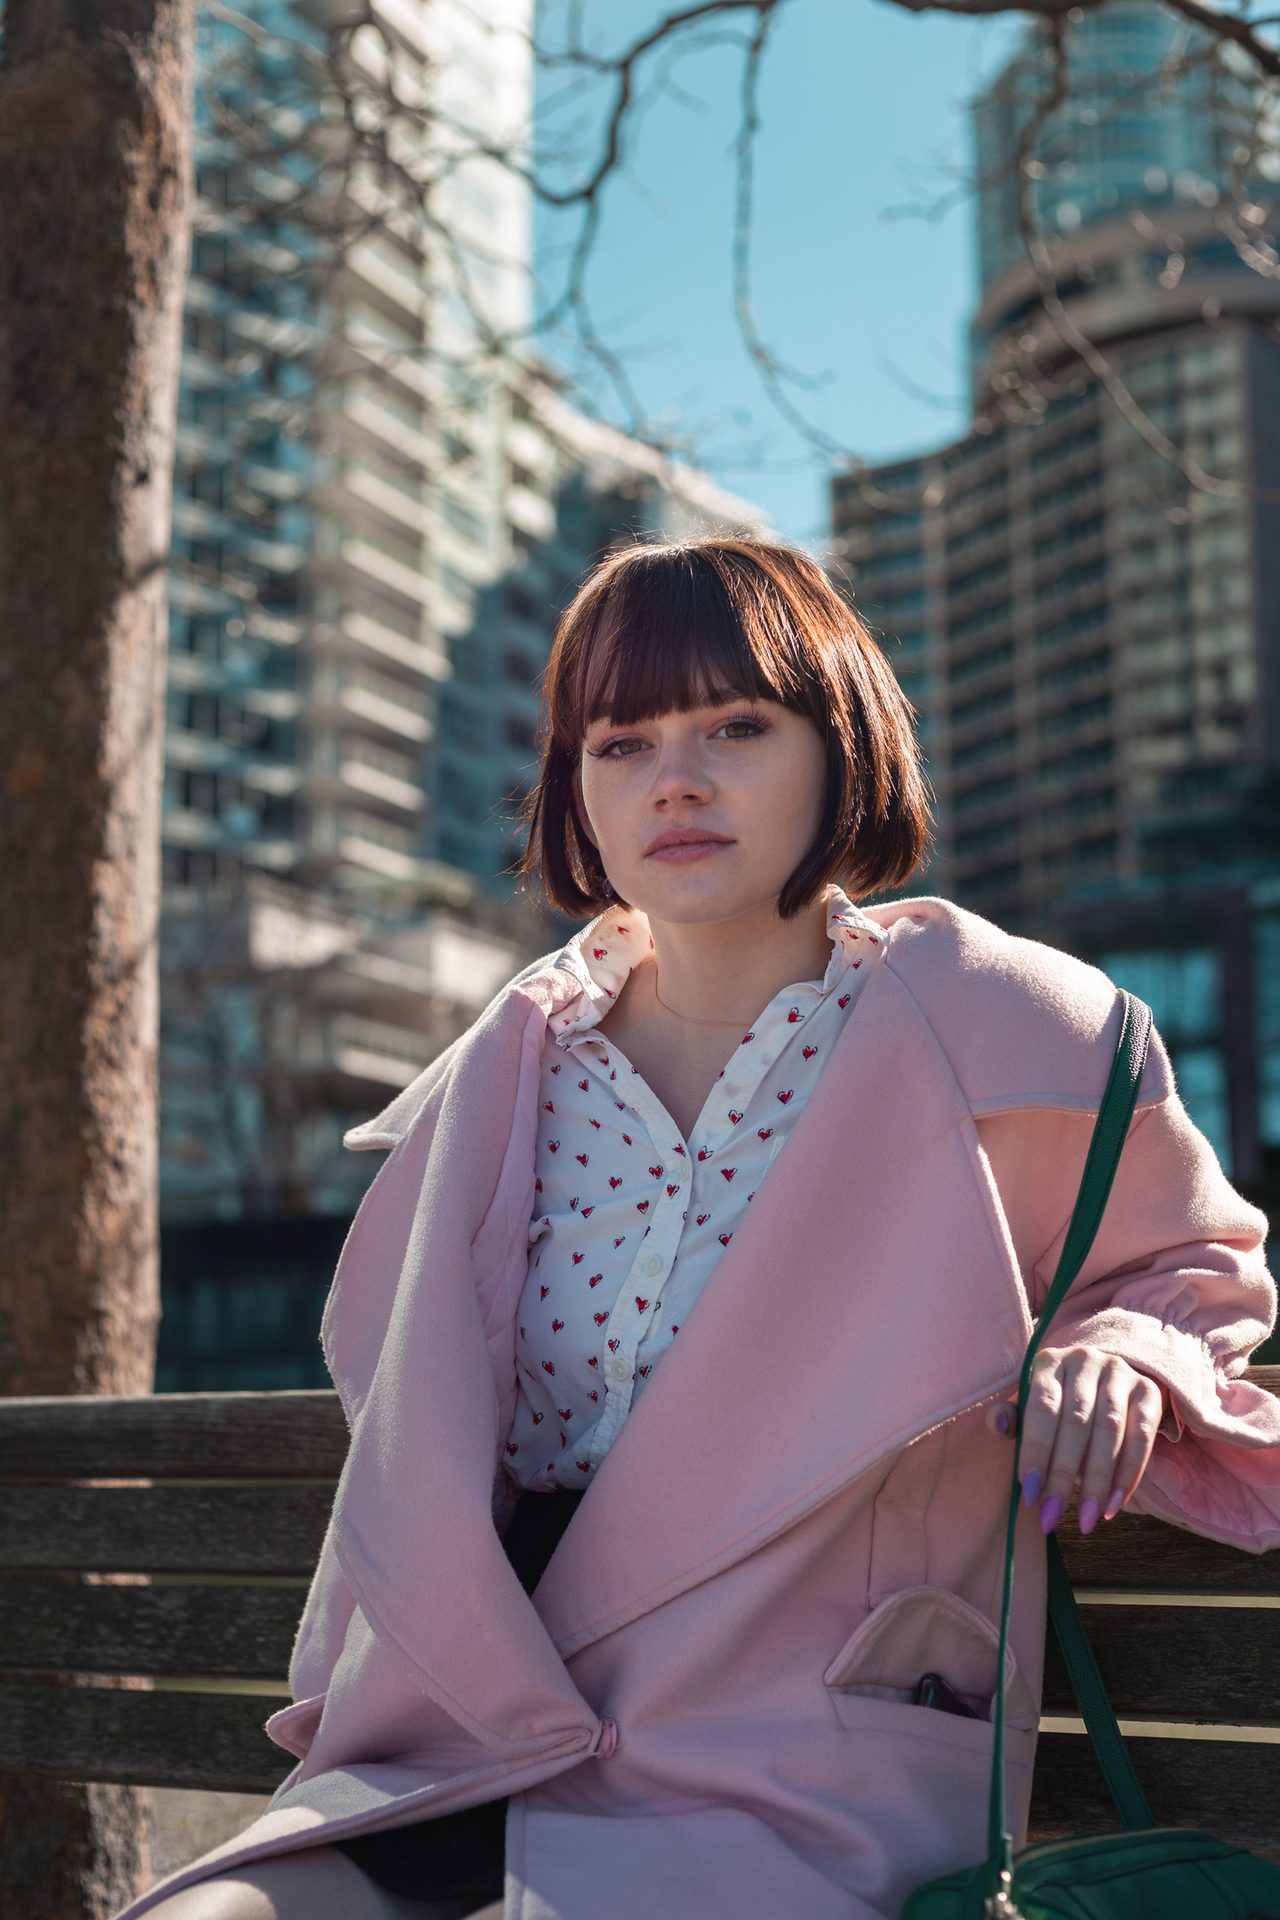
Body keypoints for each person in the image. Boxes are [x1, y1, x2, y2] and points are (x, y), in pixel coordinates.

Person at [117, 532, 1280, 1920]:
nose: (676, 776)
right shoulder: (505, 1076)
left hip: (792, 1749)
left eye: (737, 725)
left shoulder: (1009, 1028)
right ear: (575, 790)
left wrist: (1124, 1347)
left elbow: (1191, 1264)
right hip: (480, 1731)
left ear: (839, 748)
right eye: (621, 742)